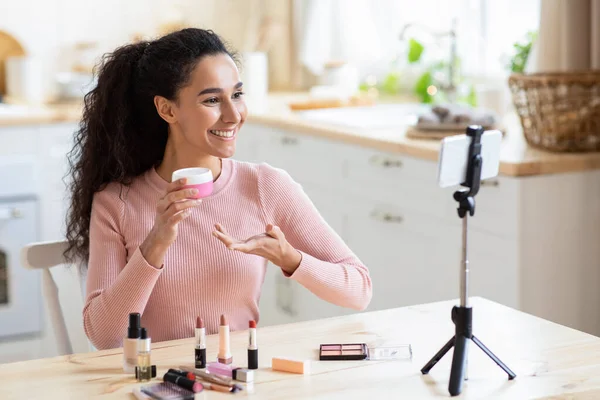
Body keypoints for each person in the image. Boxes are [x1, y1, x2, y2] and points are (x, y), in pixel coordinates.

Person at [65, 28, 372, 350]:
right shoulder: (118, 201)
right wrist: (155, 243)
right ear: (167, 109)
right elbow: (104, 337)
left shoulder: (265, 186)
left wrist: (291, 258)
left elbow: (358, 290)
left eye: (237, 95)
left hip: (238, 377)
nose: (234, 115)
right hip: (156, 382)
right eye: (212, 100)